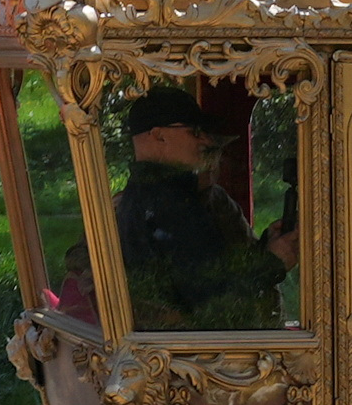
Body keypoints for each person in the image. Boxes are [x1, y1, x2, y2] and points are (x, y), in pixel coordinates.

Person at [112, 86, 294, 330]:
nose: (207, 141)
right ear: (159, 136)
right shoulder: (169, 205)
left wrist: (264, 249)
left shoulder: (150, 196)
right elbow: (215, 313)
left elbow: (208, 275)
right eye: (196, 132)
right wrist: (273, 263)